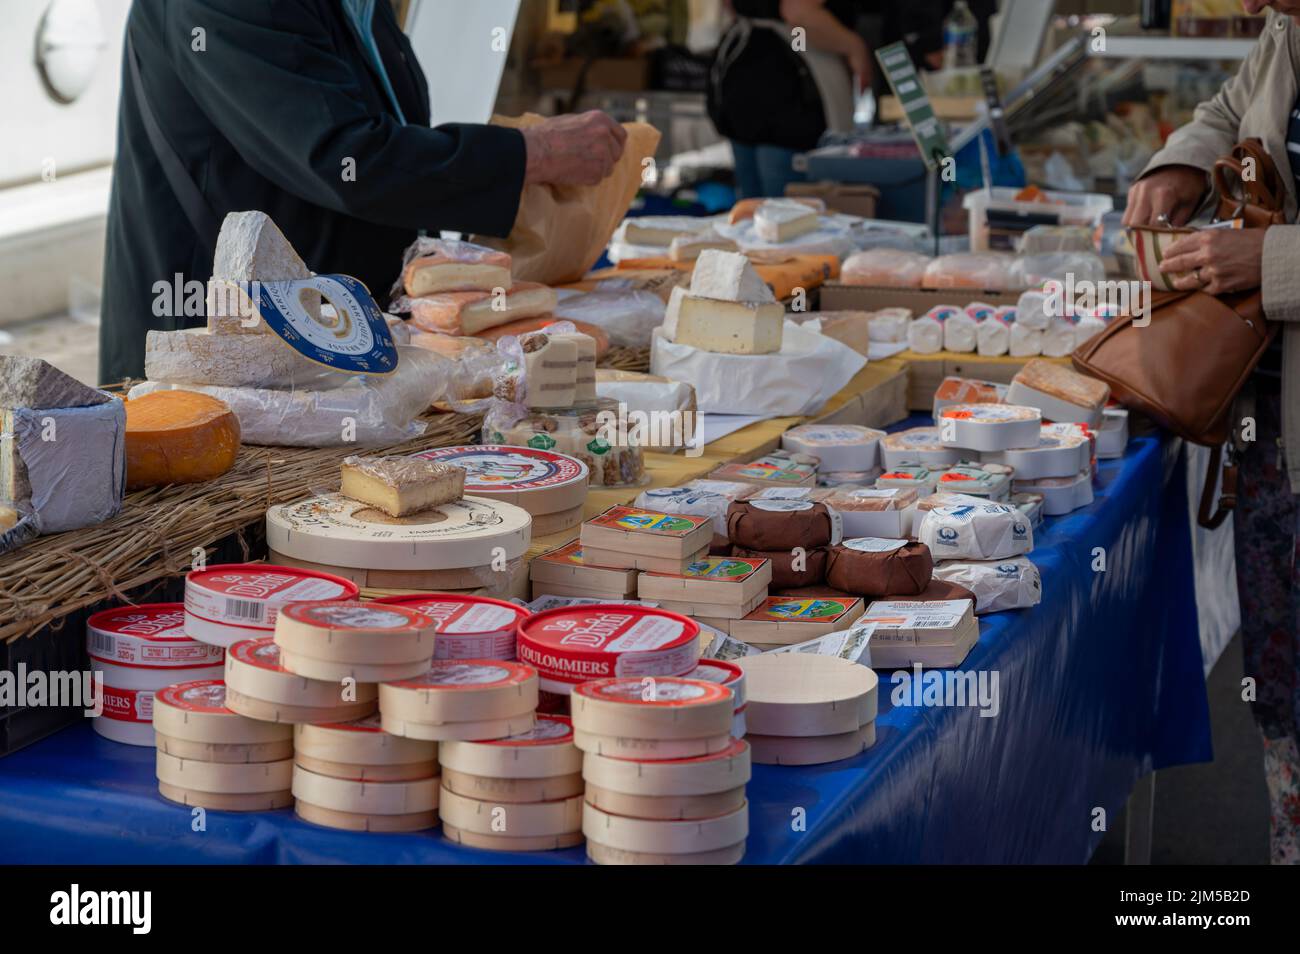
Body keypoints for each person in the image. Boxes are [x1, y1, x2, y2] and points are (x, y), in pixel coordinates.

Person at [100, 0, 627, 383]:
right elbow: (346, 158)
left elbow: (386, 132)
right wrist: (529, 154)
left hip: (331, 338)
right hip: (218, 353)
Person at [1124, 1, 1300, 864]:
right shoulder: (1285, 27)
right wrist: (1182, 165)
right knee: (1284, 689)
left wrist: (1269, 264)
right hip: (1276, 435)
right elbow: (1233, 107)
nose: (1251, 8)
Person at [707, 0, 942, 199]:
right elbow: (797, 11)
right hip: (788, 85)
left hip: (744, 71)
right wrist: (854, 47)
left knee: (753, 211)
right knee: (788, 216)